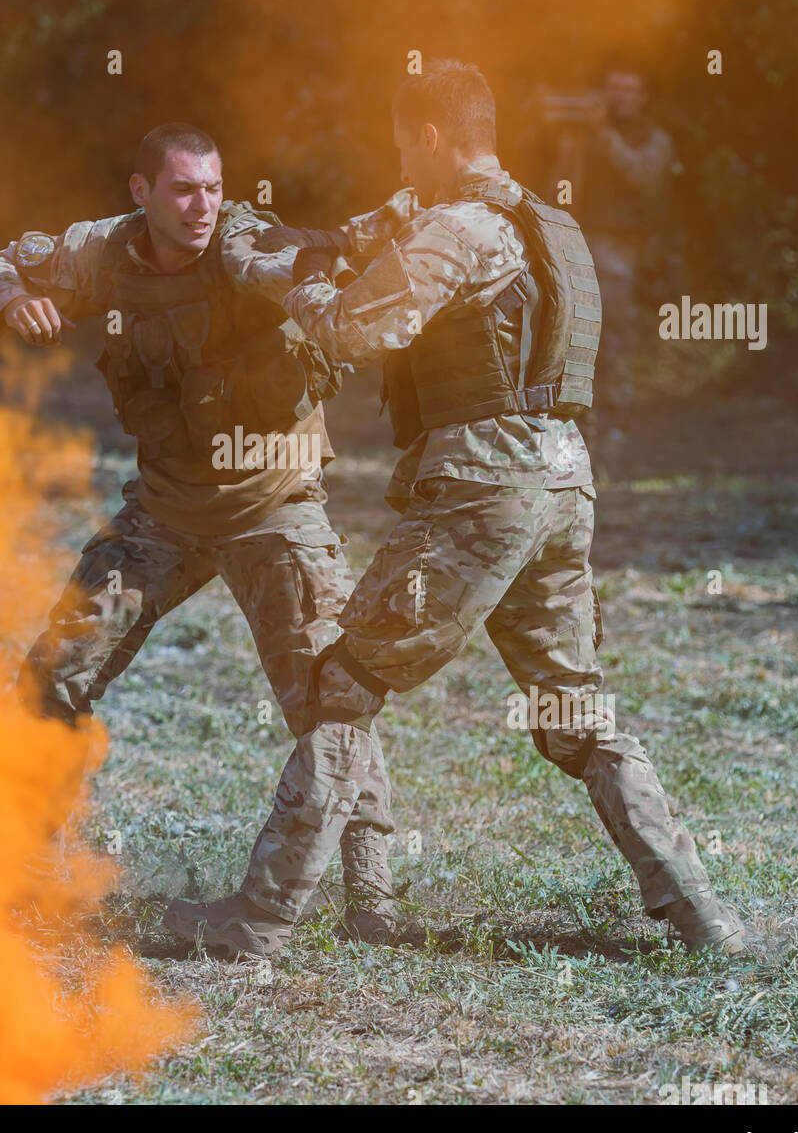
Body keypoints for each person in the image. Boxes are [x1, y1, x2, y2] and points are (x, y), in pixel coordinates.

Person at [164, 65, 745, 958]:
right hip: (563, 485)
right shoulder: (552, 225)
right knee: (576, 713)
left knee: (345, 687)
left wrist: (282, 280)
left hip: (480, 489)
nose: (401, 162)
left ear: (430, 136)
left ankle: (256, 923)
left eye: (404, 143)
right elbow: (388, 239)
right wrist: (319, 238)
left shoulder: (458, 229)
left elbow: (356, 327)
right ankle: (705, 918)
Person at [0, 122, 397, 942]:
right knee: (55, 671)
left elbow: (299, 269)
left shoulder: (244, 244)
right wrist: (16, 300)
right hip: (165, 508)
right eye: (185, 190)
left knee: (330, 698)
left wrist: (323, 278)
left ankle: (372, 897)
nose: (202, 207)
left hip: (273, 506)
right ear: (142, 193)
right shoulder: (101, 252)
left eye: (214, 189)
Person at [547, 66, 684, 466]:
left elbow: (641, 176)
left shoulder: (654, 141)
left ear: (642, 97)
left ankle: (616, 438)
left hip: (622, 254)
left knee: (615, 347)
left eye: (629, 90)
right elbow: (560, 188)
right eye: (613, 91)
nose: (620, 98)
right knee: (571, 345)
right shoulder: (585, 139)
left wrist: (602, 133)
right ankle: (576, 439)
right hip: (579, 249)